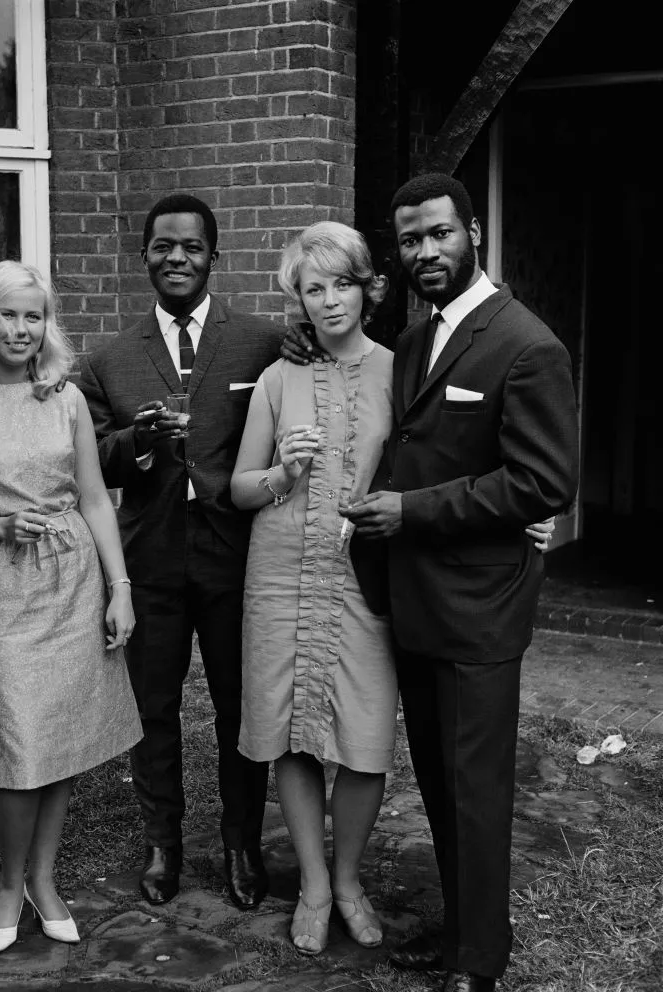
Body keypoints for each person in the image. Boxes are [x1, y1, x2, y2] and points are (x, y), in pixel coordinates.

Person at [337, 174, 579, 992]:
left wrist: (413, 510)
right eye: (409, 241)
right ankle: (460, 930)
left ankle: (480, 962)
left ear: (473, 231)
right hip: (415, 600)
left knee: (477, 790)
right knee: (440, 782)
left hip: (481, 606)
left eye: (439, 234)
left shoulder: (527, 344)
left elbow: (544, 483)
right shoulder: (413, 340)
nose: (425, 252)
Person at [0, 260, 143, 954]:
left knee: (63, 734)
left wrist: (121, 587)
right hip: (2, 584)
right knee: (19, 738)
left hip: (74, 578)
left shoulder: (66, 397)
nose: (21, 329)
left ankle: (45, 878)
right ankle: (9, 883)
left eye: (34, 315)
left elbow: (91, 497)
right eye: (8, 314)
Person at [77, 194, 283, 910]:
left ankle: (241, 843)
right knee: (153, 708)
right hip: (153, 560)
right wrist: (136, 443)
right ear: (144, 257)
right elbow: (92, 459)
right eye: (163, 246)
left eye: (192, 247)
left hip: (236, 557)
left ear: (213, 258)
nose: (177, 259)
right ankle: (163, 842)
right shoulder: (108, 359)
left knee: (240, 706)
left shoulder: (261, 342)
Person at [231, 222, 396, 955]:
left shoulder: (402, 370)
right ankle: (314, 883)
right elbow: (239, 488)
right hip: (280, 571)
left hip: (365, 578)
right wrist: (283, 474)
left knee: (364, 741)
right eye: (312, 287)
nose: (329, 301)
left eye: (342, 283)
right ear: (296, 298)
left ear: (368, 287)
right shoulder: (277, 378)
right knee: (291, 733)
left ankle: (351, 876)